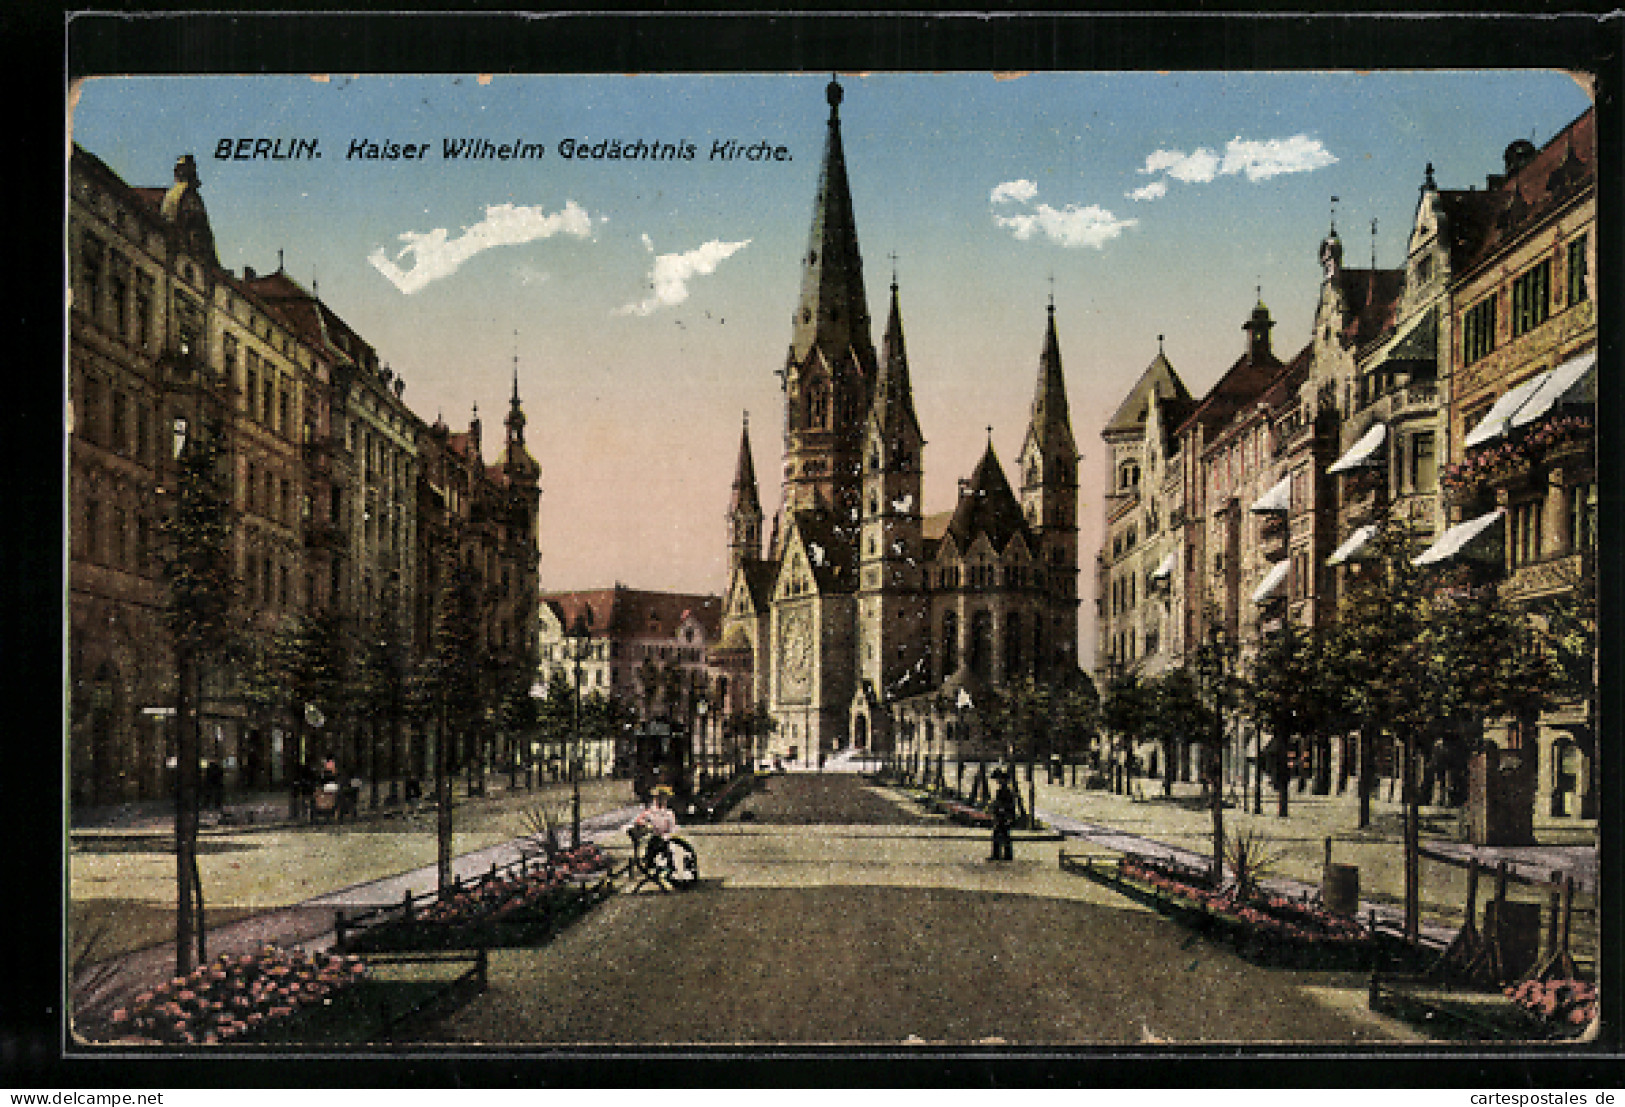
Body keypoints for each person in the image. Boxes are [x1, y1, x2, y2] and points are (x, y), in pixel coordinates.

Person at [627, 785, 679, 874]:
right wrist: (642, 823)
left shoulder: (669, 813)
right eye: (657, 798)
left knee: (662, 846)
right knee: (651, 843)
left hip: (665, 838)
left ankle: (667, 866)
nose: (659, 801)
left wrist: (667, 835)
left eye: (662, 799)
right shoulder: (651, 812)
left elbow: (673, 828)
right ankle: (648, 862)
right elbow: (640, 819)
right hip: (654, 836)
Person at [989, 769, 1016, 862]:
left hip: (1003, 815)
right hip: (1004, 815)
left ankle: (999, 855)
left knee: (999, 834)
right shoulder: (1004, 790)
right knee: (1003, 835)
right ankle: (1005, 855)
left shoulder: (1004, 791)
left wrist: (999, 810)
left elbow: (1005, 804)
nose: (998, 781)